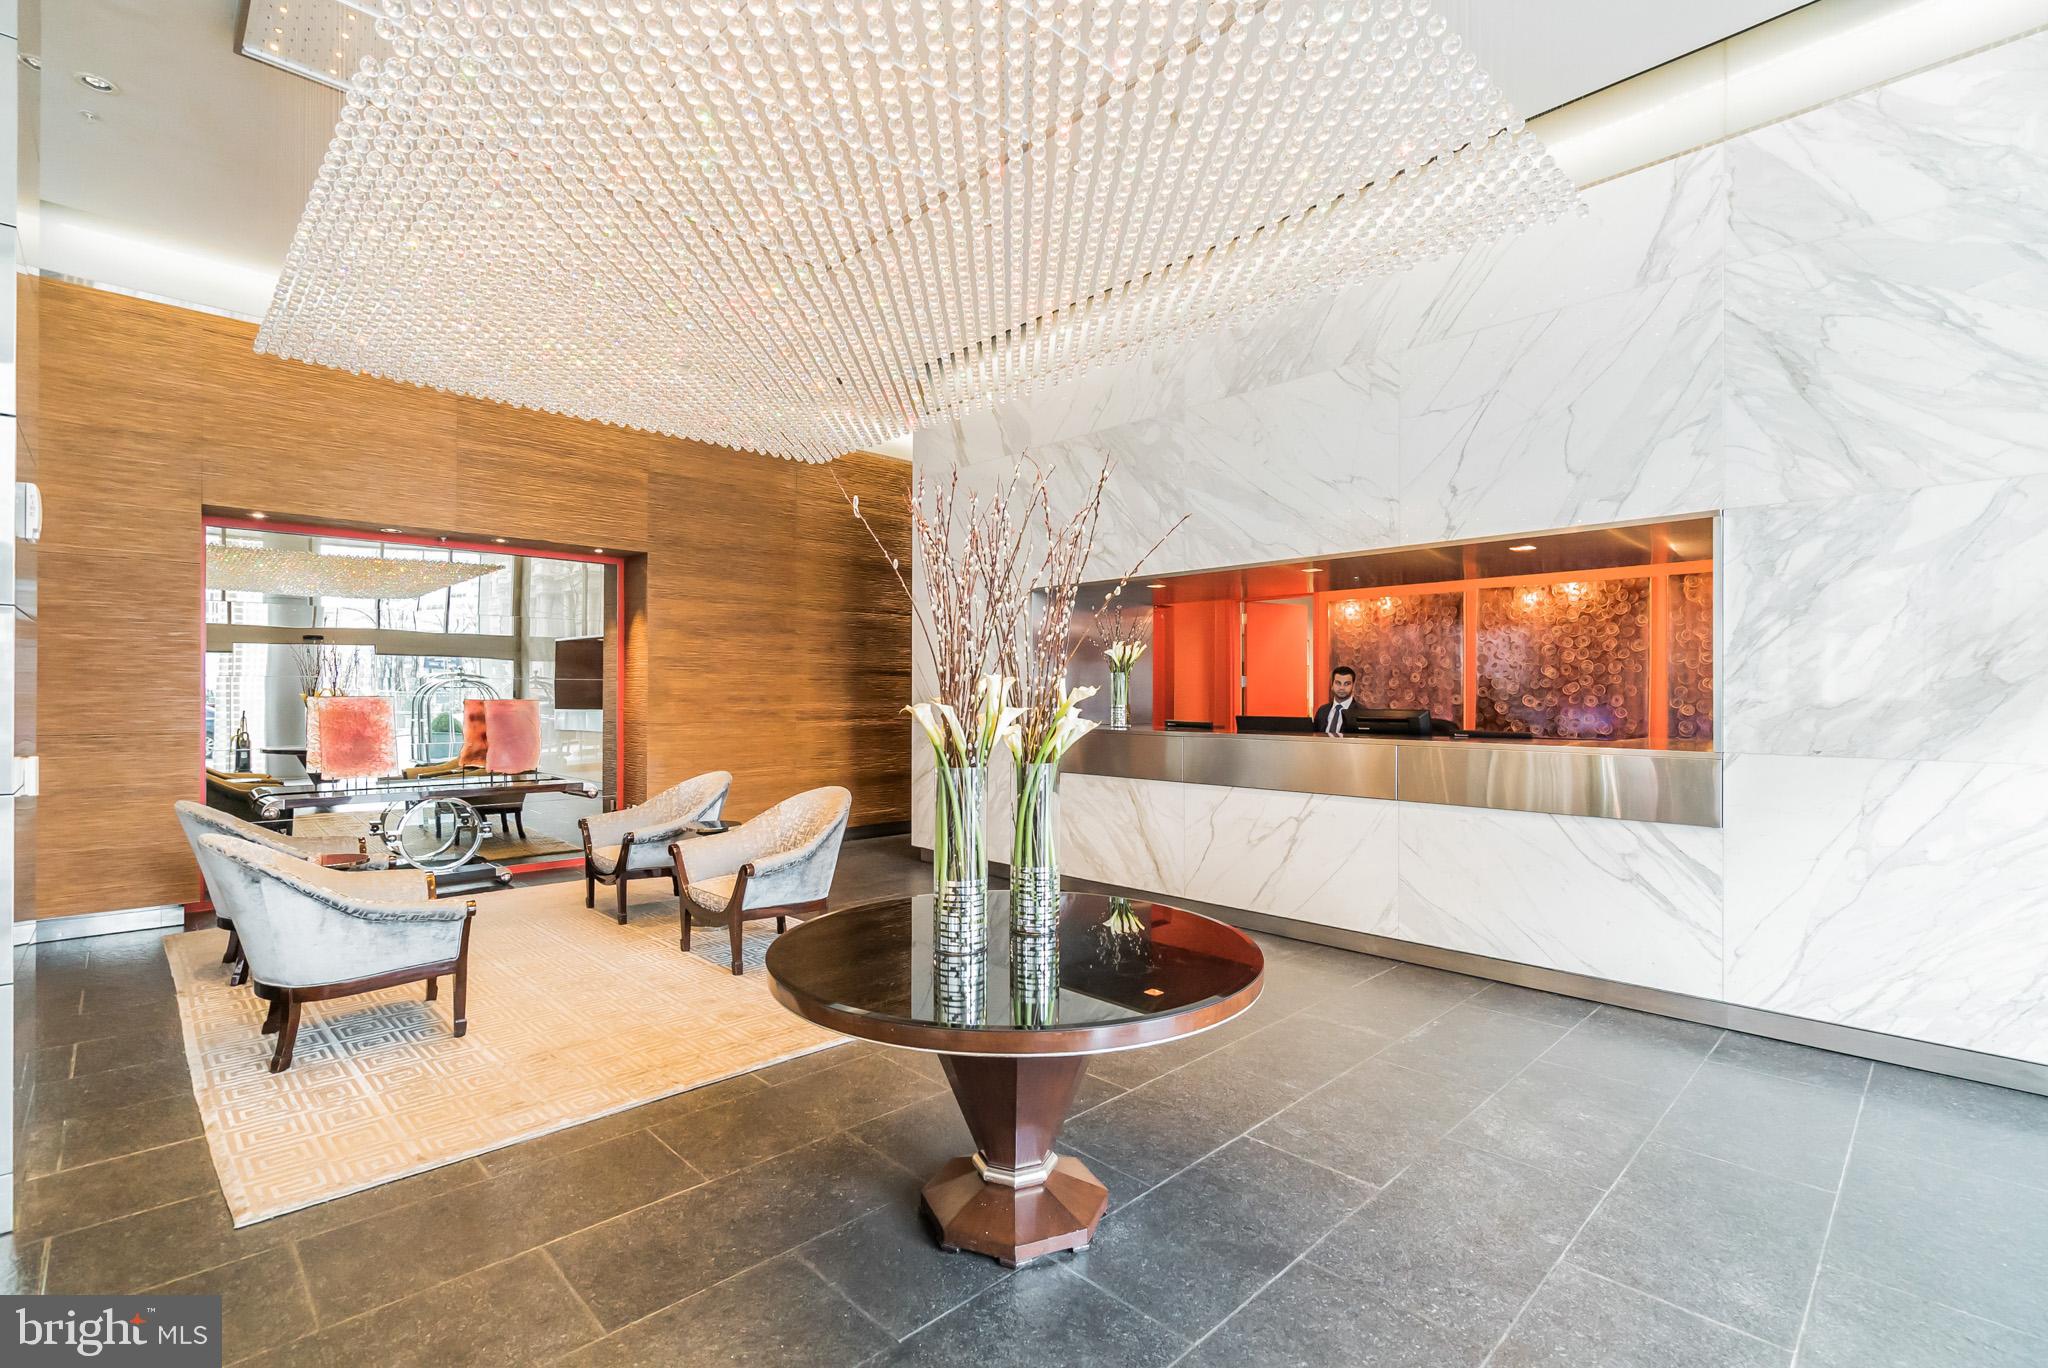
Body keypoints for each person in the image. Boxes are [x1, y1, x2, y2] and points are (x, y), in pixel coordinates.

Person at [1313, 666, 1364, 736]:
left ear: (1353, 686)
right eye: (1338, 683)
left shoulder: (1362, 713)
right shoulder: (1322, 711)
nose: (1342, 688)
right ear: (1332, 685)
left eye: (1347, 684)